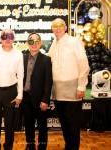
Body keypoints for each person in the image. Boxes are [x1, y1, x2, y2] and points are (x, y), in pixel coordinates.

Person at [48, 18, 90, 150]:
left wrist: (81, 87)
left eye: (61, 25)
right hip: (57, 93)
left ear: (66, 28)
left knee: (72, 126)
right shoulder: (53, 45)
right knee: (65, 125)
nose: (58, 28)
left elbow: (84, 66)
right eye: (55, 26)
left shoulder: (75, 42)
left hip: (73, 91)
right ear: (52, 29)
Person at [0, 28, 24, 150]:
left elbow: (21, 74)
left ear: (14, 39)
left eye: (10, 36)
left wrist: (20, 95)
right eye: (5, 36)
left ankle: (8, 147)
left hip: (11, 92)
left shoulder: (19, 53)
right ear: (0, 38)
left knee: (10, 122)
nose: (7, 39)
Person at [22, 32, 53, 150]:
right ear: (27, 43)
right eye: (31, 41)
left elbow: (48, 82)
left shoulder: (46, 60)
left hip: (41, 99)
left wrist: (45, 100)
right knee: (28, 124)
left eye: (36, 41)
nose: (34, 44)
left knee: (42, 125)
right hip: (25, 97)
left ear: (40, 43)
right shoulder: (22, 58)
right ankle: (30, 145)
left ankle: (42, 146)